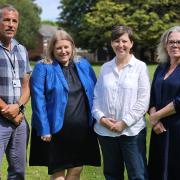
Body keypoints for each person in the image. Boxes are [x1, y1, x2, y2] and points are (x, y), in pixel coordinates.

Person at [29, 29, 101, 180]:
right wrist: (44, 129)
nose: (63, 51)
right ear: (52, 49)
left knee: (76, 170)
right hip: (54, 130)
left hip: (81, 130)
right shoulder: (43, 67)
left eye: (66, 47)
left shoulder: (83, 65)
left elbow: (95, 91)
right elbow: (38, 99)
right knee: (58, 173)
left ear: (72, 47)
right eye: (59, 48)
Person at [92, 25, 150, 180]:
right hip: (106, 132)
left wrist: (124, 123)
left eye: (124, 41)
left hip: (132, 132)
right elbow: (96, 97)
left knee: (138, 175)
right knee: (112, 175)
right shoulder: (105, 68)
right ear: (111, 44)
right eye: (116, 41)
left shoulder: (140, 67)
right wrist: (102, 119)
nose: (120, 45)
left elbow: (143, 101)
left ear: (131, 43)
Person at [0, 4, 31, 179]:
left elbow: (26, 84)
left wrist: (18, 108)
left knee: (18, 172)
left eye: (14, 21)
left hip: (19, 120)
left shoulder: (22, 49)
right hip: (2, 118)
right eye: (6, 20)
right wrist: (8, 110)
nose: (11, 24)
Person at [148, 26, 180, 180]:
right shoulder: (161, 68)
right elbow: (152, 96)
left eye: (179, 42)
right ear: (165, 46)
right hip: (159, 130)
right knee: (158, 168)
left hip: (177, 129)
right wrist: (155, 121)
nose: (175, 45)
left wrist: (156, 116)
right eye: (171, 42)